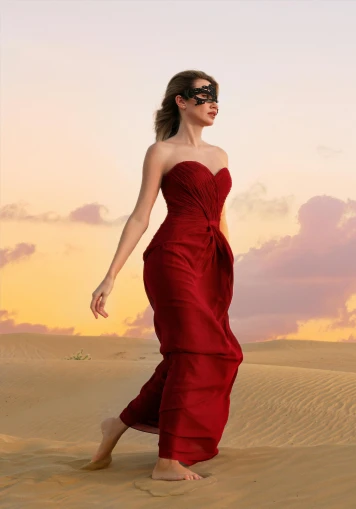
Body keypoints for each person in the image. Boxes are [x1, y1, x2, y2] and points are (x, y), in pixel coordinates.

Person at [83, 70, 243, 481]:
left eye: (216, 96)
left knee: (219, 351)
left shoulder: (221, 155)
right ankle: (168, 460)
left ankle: (117, 424)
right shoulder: (161, 152)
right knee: (191, 347)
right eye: (203, 95)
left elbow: (220, 216)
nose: (213, 103)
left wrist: (226, 266)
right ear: (181, 101)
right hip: (171, 255)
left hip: (210, 261)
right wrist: (110, 275)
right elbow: (140, 216)